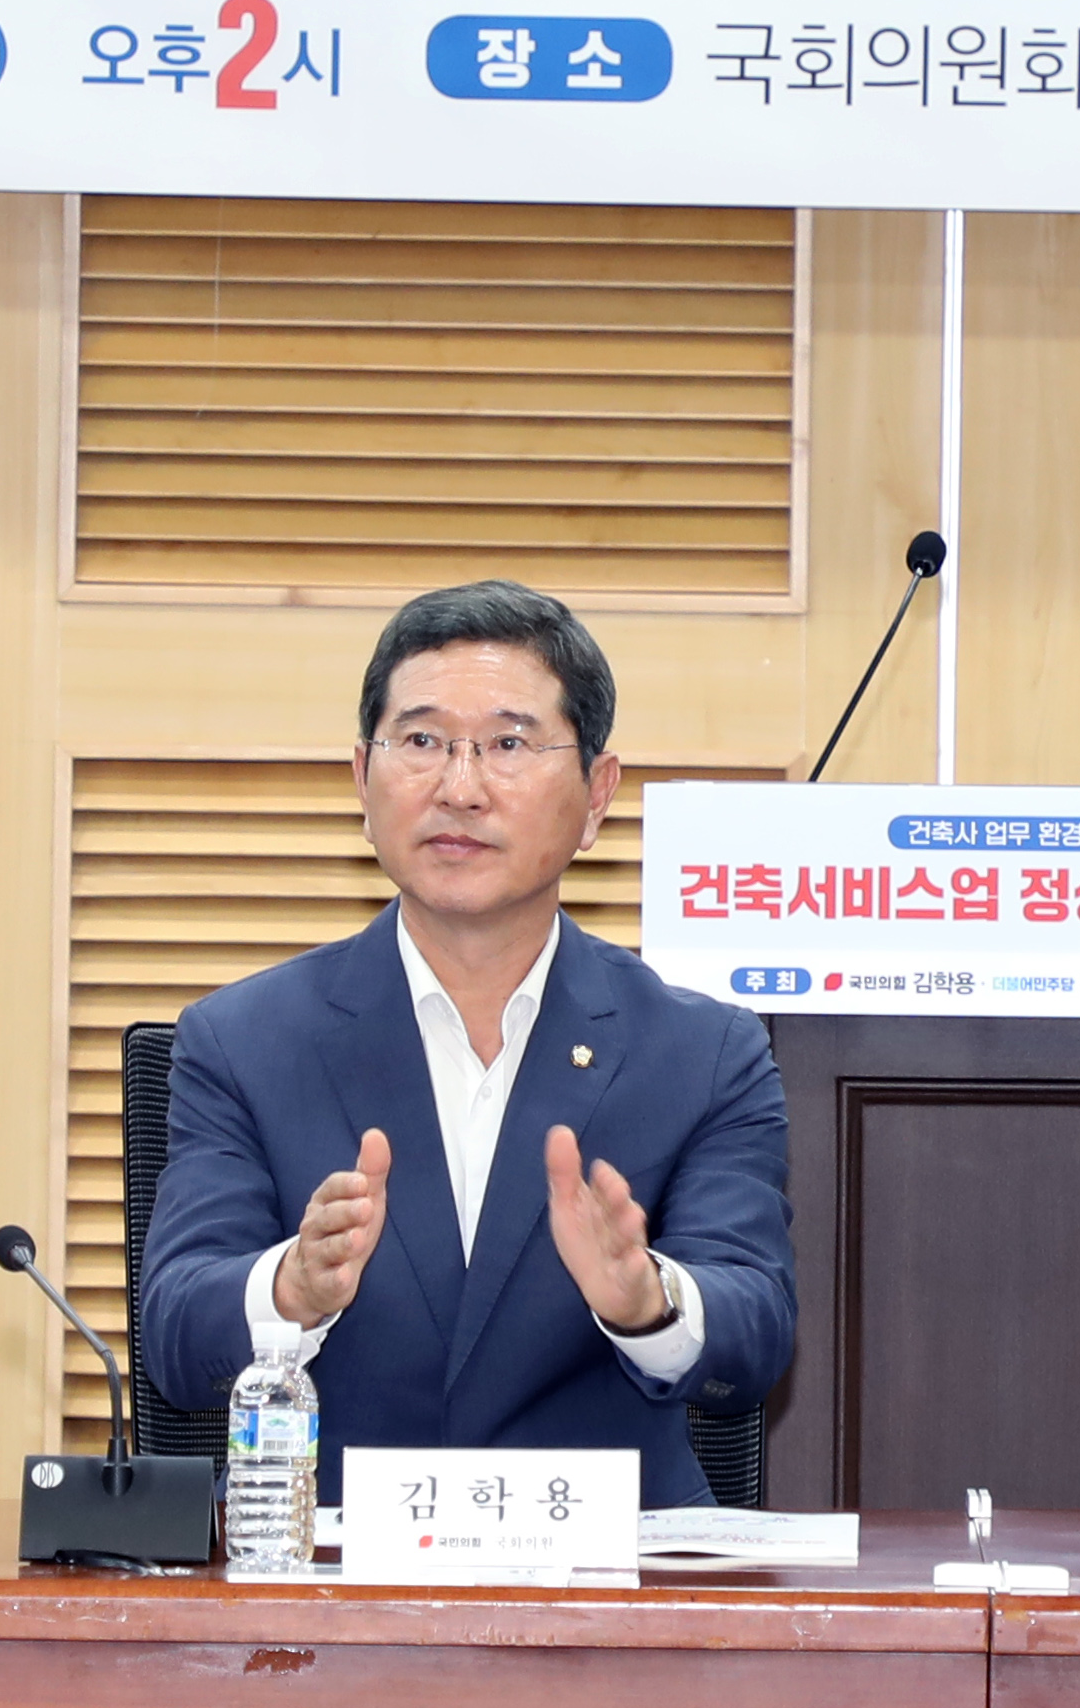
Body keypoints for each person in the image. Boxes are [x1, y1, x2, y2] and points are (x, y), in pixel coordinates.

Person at [141, 582, 795, 1508]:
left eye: (509, 744)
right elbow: (176, 1334)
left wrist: (647, 1299)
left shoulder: (704, 1050)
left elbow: (755, 1331)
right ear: (362, 779)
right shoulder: (242, 1040)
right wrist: (292, 1286)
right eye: (421, 741)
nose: (459, 786)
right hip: (331, 1569)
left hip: (609, 1575)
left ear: (597, 794)